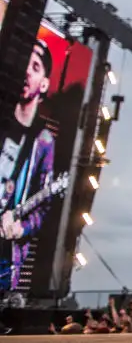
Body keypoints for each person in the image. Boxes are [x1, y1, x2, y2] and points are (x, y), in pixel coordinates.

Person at [0, 39, 57, 290]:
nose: (26, 71)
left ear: (44, 83)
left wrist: (21, 228)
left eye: (35, 66)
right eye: (25, 63)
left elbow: (43, 206)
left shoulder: (44, 142)